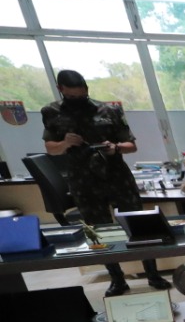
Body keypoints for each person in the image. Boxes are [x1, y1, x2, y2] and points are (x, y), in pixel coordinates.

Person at [40, 70, 169, 296]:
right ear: (61, 90)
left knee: (139, 227)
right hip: (83, 180)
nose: (79, 100)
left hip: (116, 176)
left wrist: (115, 147)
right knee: (100, 232)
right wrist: (65, 143)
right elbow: (50, 148)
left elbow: (131, 145)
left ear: (87, 89)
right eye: (72, 97)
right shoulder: (51, 112)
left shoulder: (108, 110)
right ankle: (117, 279)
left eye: (82, 95)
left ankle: (153, 274)